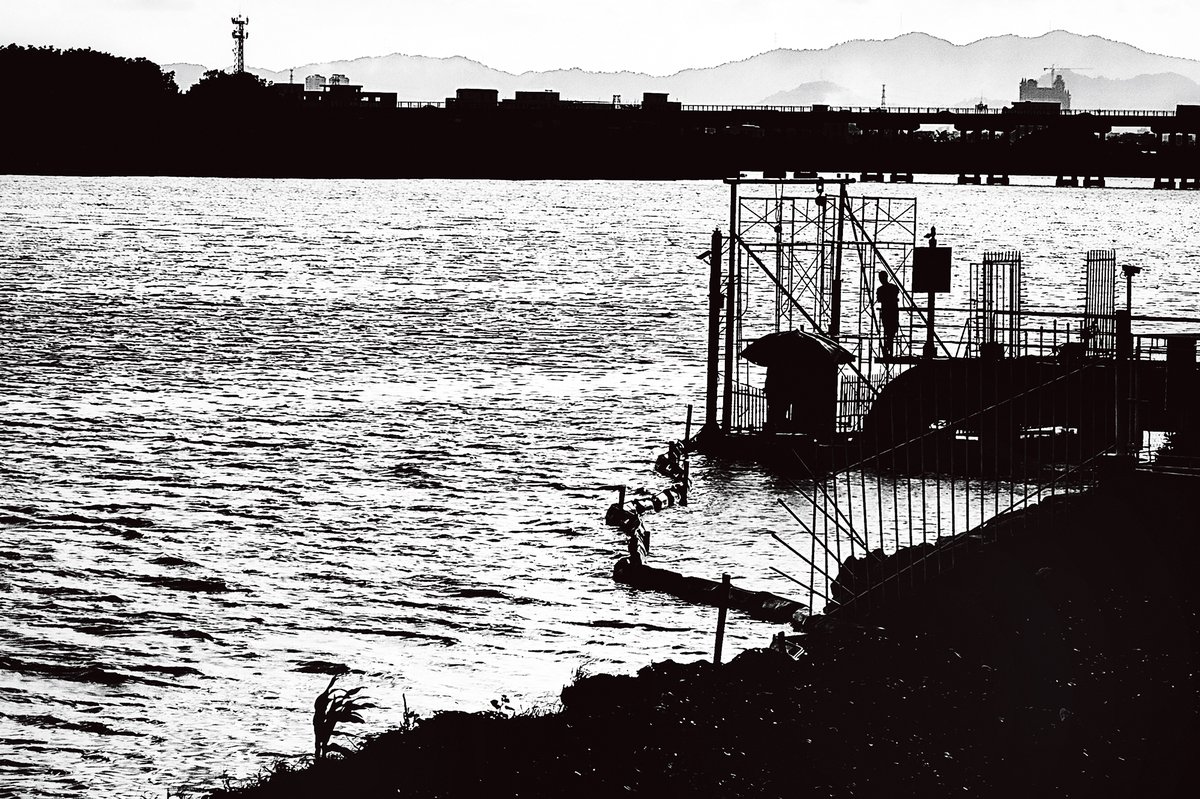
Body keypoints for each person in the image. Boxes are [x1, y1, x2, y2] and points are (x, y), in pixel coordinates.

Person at [876, 270, 900, 357]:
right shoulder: (893, 288)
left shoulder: (881, 290)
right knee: (890, 333)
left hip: (888, 312)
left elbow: (880, 299)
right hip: (892, 312)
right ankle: (889, 350)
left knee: (888, 332)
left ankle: (888, 350)